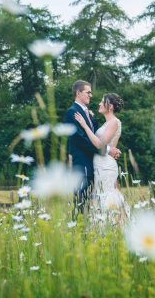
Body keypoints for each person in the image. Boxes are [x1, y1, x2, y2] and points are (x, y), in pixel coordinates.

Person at [65, 80, 121, 217]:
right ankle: (79, 233)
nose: (91, 95)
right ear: (78, 93)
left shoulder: (88, 114)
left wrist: (107, 148)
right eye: (88, 92)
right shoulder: (72, 112)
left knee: (95, 202)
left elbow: (96, 137)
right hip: (82, 166)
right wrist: (107, 150)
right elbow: (81, 140)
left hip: (96, 166)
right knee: (81, 203)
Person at [73, 92, 130, 224]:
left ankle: (114, 225)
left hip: (106, 166)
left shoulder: (114, 122)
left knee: (106, 197)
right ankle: (103, 227)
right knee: (99, 196)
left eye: (101, 101)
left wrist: (84, 125)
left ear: (109, 106)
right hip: (99, 164)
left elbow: (99, 145)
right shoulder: (107, 123)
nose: (99, 103)